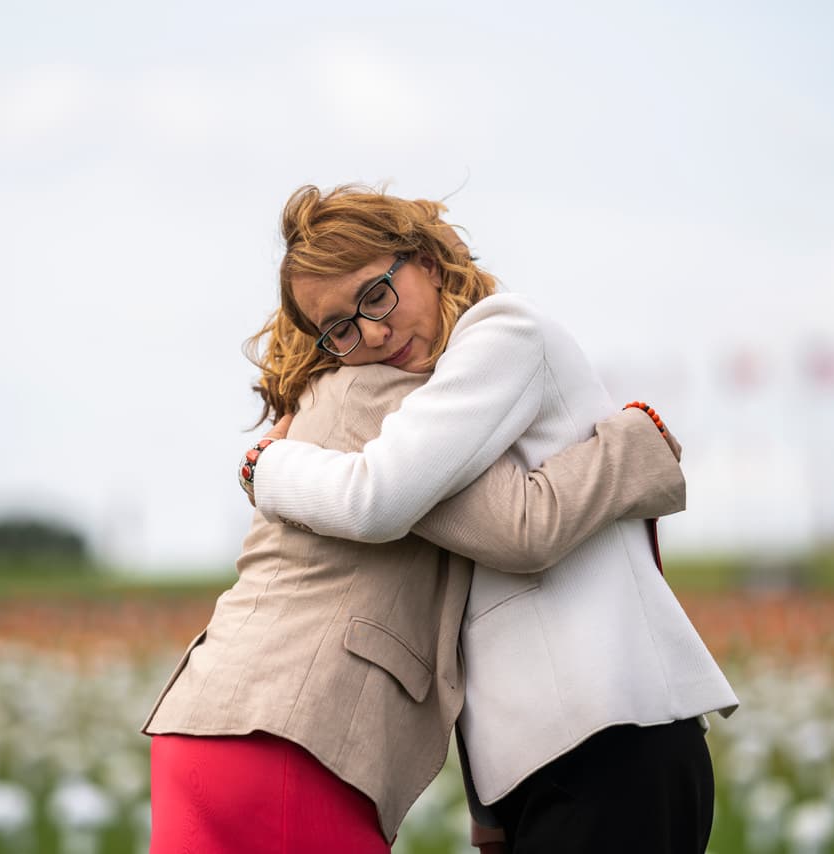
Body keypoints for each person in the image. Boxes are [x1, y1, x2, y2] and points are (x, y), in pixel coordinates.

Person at [243, 184, 739, 853]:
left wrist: (266, 467)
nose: (373, 332)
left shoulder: (502, 331)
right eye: (340, 330)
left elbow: (388, 500)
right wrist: (490, 807)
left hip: (616, 740)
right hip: (548, 766)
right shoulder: (433, 400)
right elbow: (475, 602)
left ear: (424, 259)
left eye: (376, 294)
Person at [141, 338, 689, 844]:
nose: (376, 333)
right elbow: (521, 525)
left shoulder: (317, 408)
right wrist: (637, 438)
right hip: (292, 738)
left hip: (204, 727)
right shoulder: (393, 400)